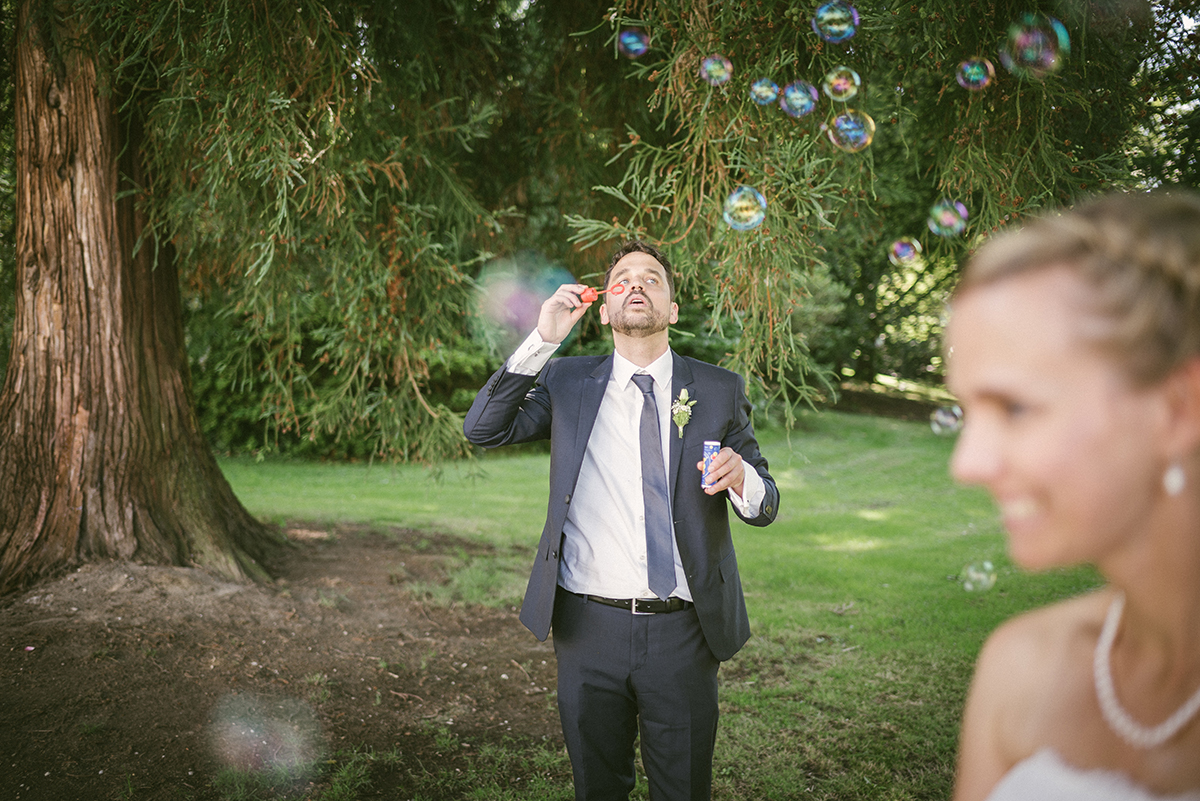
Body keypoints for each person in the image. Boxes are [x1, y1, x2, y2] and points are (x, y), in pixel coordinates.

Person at [463, 240, 779, 801]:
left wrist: (742, 479)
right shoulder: (566, 381)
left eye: (652, 278)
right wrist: (544, 338)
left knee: (683, 788)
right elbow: (483, 428)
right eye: (623, 278)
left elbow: (766, 501)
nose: (637, 284)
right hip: (587, 629)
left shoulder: (717, 389)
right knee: (597, 787)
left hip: (685, 629)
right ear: (604, 308)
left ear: (673, 310)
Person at [945, 191, 1200, 800]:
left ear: (1176, 409)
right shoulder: (1021, 666)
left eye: (1015, 406)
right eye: (965, 410)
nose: (967, 464)